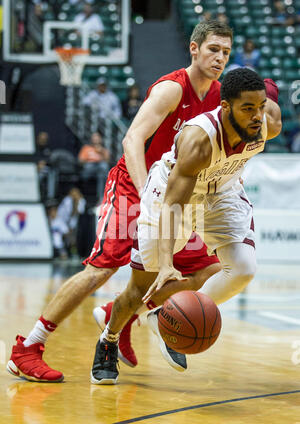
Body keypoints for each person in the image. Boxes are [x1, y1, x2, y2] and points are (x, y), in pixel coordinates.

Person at [7, 20, 233, 383]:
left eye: (225, 51)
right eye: (213, 49)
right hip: (134, 187)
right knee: (102, 268)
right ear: (194, 48)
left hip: (173, 198)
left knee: (208, 269)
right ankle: (27, 348)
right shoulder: (171, 89)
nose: (219, 57)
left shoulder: (219, 95)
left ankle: (122, 314)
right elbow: (131, 141)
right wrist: (148, 196)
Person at [90, 68, 282, 385]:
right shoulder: (199, 140)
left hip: (222, 190)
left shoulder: (267, 124)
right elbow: (172, 206)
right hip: (172, 192)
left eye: (260, 107)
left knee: (244, 268)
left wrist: (263, 95)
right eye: (247, 109)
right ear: (225, 108)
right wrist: (167, 264)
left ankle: (166, 317)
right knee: (143, 284)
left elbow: (269, 92)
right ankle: (108, 338)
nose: (256, 117)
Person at [78, 132, 110, 201]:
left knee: (103, 167)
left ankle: (101, 198)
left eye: (97, 137)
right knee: (91, 165)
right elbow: (80, 161)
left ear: (100, 139)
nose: (95, 139)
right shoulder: (86, 148)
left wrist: (101, 152)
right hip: (88, 169)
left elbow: (107, 162)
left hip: (100, 170)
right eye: (94, 137)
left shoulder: (104, 150)